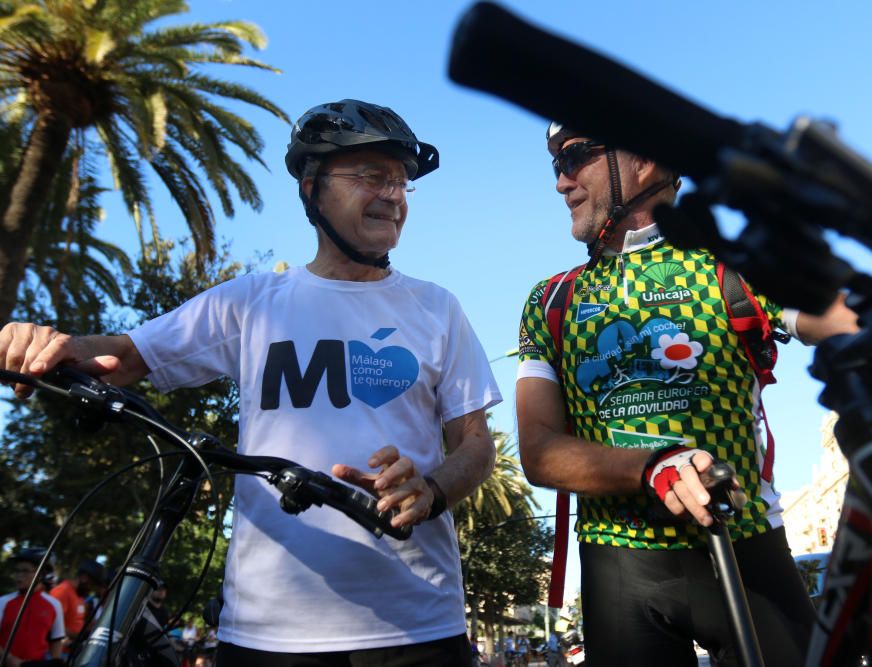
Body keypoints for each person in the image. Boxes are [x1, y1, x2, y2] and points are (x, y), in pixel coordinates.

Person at [0, 98, 502, 666]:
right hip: (268, 634)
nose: (393, 195)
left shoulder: (437, 308)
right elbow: (123, 357)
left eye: (401, 182)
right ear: (312, 189)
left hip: (418, 628)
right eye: (371, 176)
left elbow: (476, 445)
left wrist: (431, 491)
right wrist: (46, 343)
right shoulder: (252, 303)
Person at [515, 124, 872, 666]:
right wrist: (653, 465)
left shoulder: (732, 269)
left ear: (645, 159)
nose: (560, 182)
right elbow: (537, 449)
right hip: (618, 565)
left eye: (574, 157)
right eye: (553, 164)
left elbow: (860, 331)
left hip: (745, 545)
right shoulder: (551, 300)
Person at [0, 548, 66, 666]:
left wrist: (54, 662)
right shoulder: (3, 602)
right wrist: (10, 659)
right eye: (17, 571)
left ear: (41, 574)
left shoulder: (54, 605)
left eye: (25, 571)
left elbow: (56, 640)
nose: (19, 576)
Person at [48, 557, 104, 654]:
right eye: (91, 584)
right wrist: (78, 637)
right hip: (58, 652)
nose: (91, 589)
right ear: (84, 578)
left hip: (71, 651)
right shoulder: (62, 591)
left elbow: (77, 621)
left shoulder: (80, 596)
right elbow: (53, 625)